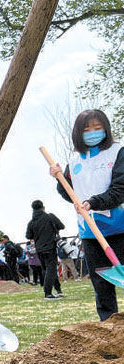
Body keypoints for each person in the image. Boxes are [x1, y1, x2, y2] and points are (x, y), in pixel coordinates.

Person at [50, 109, 124, 320]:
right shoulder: (74, 162)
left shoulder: (117, 152)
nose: (92, 133)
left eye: (98, 128)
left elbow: (120, 189)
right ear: (78, 133)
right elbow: (70, 194)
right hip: (89, 232)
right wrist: (59, 179)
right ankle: (108, 326)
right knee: (101, 285)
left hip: (119, 227)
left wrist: (93, 203)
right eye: (87, 129)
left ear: (106, 129)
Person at [25, 200, 65, 300]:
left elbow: (28, 236)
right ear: (43, 207)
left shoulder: (31, 222)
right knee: (51, 270)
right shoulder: (49, 217)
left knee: (47, 270)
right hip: (50, 246)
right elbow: (62, 226)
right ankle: (48, 293)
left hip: (39, 249)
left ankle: (58, 289)